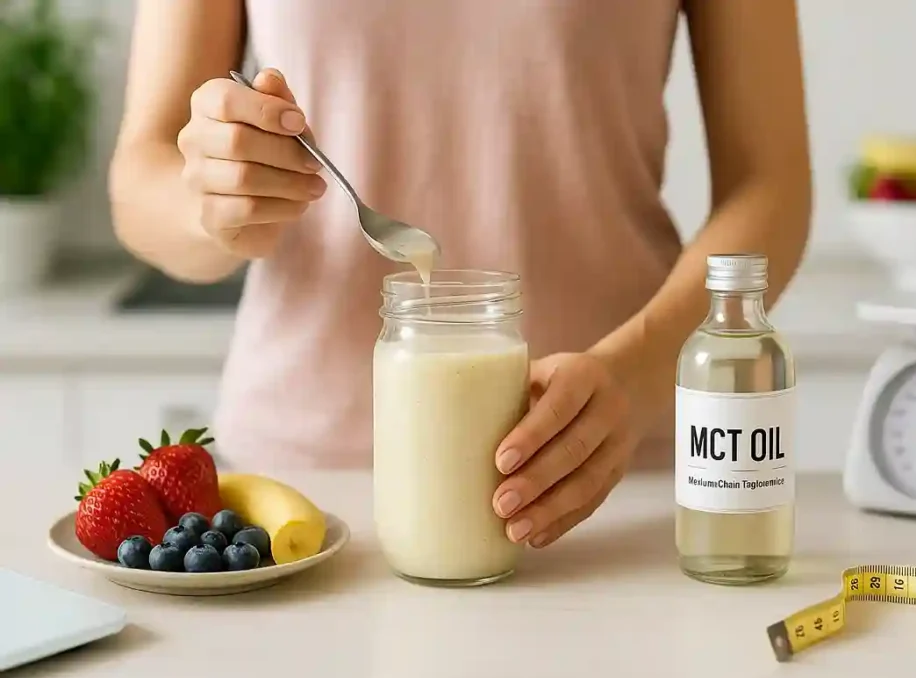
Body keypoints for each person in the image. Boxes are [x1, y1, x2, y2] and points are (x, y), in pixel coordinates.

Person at [109, 0, 811, 550]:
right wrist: (211, 203)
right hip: (304, 487)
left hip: (606, 479)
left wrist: (641, 372)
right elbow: (139, 181)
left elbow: (771, 185)